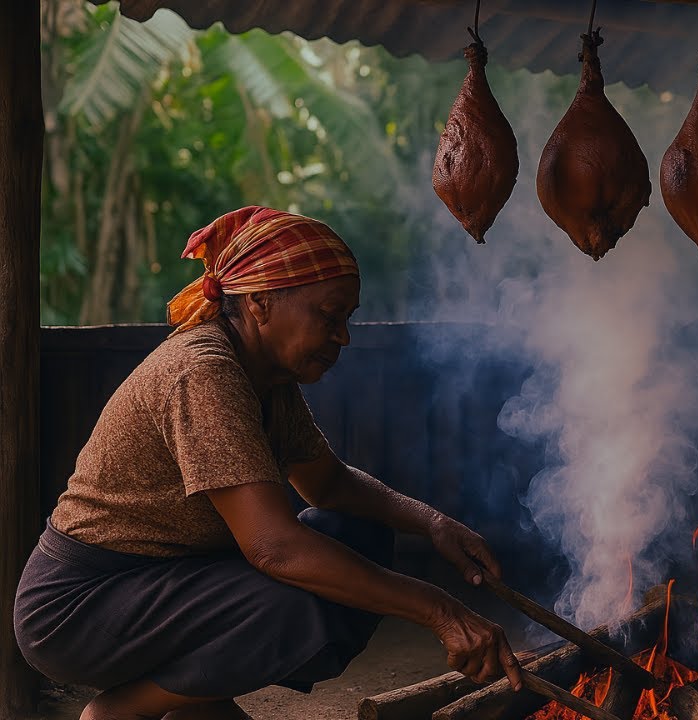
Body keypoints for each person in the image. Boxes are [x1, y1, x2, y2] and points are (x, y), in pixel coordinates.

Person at [14, 206, 523, 720]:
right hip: (75, 608)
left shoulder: (265, 374)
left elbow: (328, 485)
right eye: (328, 316)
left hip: (169, 581)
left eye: (346, 319)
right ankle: (124, 709)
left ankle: (196, 701)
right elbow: (274, 549)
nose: (342, 336)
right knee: (294, 604)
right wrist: (441, 610)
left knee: (357, 534)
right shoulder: (204, 372)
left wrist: (431, 522)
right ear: (259, 303)